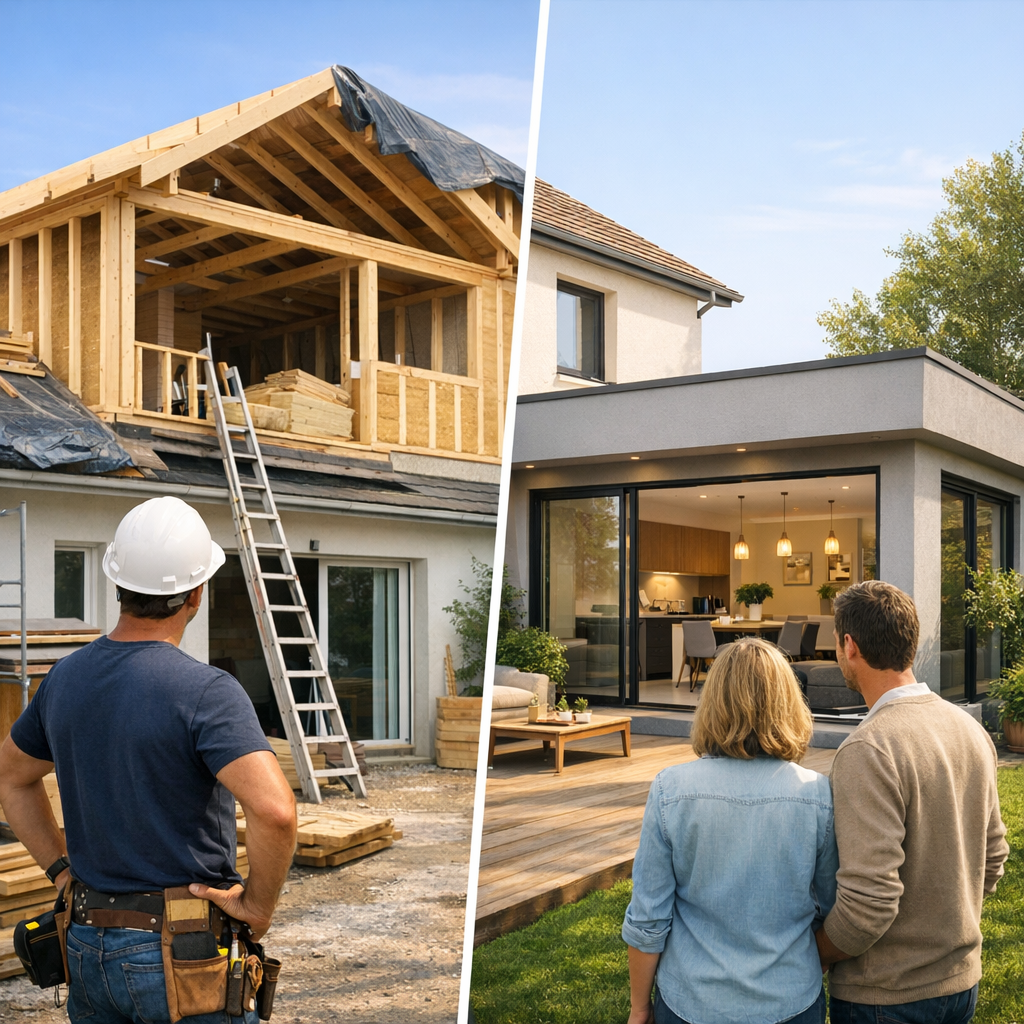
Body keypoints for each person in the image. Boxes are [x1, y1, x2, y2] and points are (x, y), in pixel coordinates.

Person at [0, 496, 298, 1024]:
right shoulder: (207, 691)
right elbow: (275, 812)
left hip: (87, 941)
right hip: (184, 952)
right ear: (197, 593)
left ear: (118, 584)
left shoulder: (64, 680)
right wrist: (256, 908)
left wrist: (61, 872)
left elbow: (11, 780)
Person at [816, 580, 1009, 1024]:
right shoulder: (968, 729)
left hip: (887, 996)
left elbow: (869, 904)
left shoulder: (869, 749)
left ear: (849, 646)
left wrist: (816, 954)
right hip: (961, 983)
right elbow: (994, 855)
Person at [623, 638, 838, 1024]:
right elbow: (831, 907)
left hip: (691, 1001)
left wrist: (640, 1008)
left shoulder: (671, 789)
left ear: (712, 701)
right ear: (788, 703)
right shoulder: (817, 794)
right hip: (790, 999)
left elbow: (647, 919)